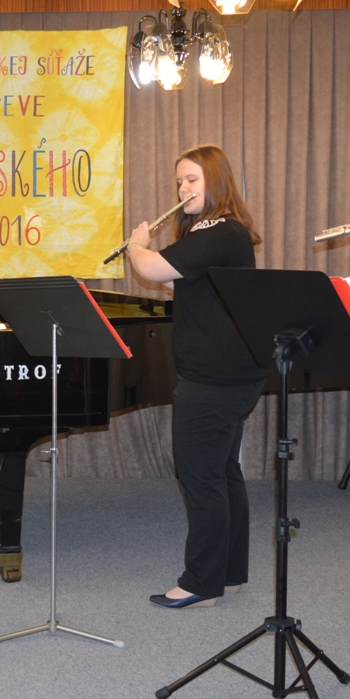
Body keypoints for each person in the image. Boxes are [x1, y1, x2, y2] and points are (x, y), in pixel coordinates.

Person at [123, 145, 267, 608]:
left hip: (214, 377)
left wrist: (136, 245)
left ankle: (201, 583)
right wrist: (150, 256)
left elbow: (151, 268)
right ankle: (229, 574)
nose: (183, 189)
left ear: (215, 182)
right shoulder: (221, 232)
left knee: (200, 476)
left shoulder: (220, 229)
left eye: (192, 180)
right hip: (229, 373)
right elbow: (180, 280)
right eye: (179, 182)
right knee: (222, 472)